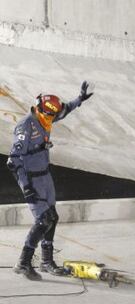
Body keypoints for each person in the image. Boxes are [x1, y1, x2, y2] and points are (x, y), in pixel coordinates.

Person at [6, 81, 93, 281]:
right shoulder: (25, 126)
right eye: (49, 116)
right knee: (43, 220)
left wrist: (79, 99)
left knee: (52, 217)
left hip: (45, 176)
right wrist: (26, 187)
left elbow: (64, 111)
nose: (52, 120)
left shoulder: (47, 117)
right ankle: (23, 263)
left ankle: (46, 261)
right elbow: (13, 161)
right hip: (32, 179)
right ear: (40, 110)